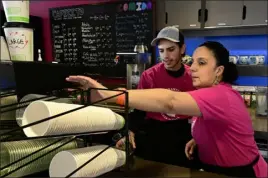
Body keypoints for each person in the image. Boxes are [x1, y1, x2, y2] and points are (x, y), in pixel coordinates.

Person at [66, 41, 267, 177]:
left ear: (219, 71)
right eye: (193, 61)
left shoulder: (220, 94)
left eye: (202, 63)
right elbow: (216, 123)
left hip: (239, 173)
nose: (193, 67)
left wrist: (107, 93)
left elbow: (168, 101)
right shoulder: (211, 93)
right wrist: (200, 138)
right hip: (215, 168)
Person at [116, 25, 196, 168]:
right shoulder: (149, 76)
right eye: (161, 51)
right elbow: (139, 109)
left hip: (183, 135)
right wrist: (131, 132)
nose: (165, 56)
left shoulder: (194, 77)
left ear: (182, 49)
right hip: (154, 133)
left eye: (171, 50)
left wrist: (198, 137)